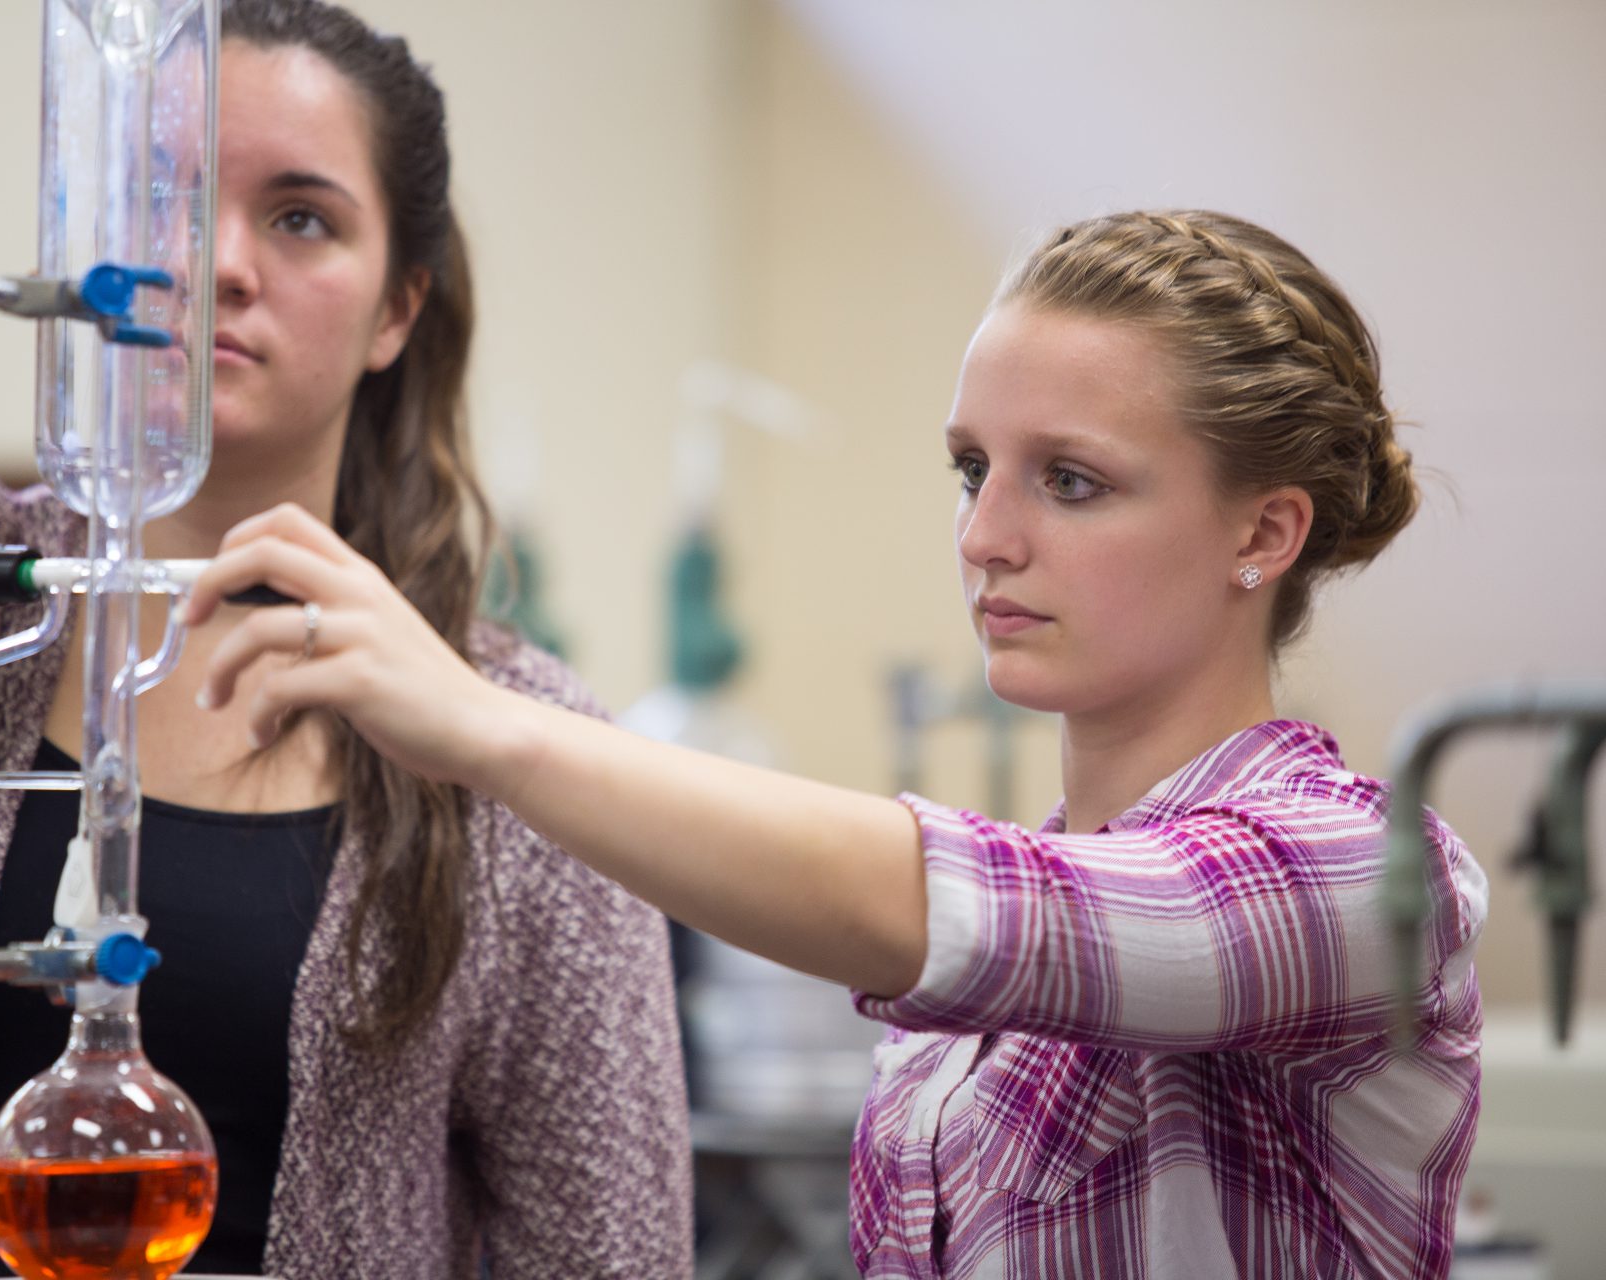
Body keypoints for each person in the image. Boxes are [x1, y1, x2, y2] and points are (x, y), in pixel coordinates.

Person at [177, 210, 1488, 1278]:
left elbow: (952, 909)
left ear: (1265, 534)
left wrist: (485, 728)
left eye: (1071, 481)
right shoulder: (964, 997)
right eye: (975, 470)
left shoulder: (1363, 878)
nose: (985, 538)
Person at [0, 1, 691, 1276]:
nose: (217, 261)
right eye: (163, 194)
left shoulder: (516, 754)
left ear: (399, 309)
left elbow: (610, 1250)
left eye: (301, 216)